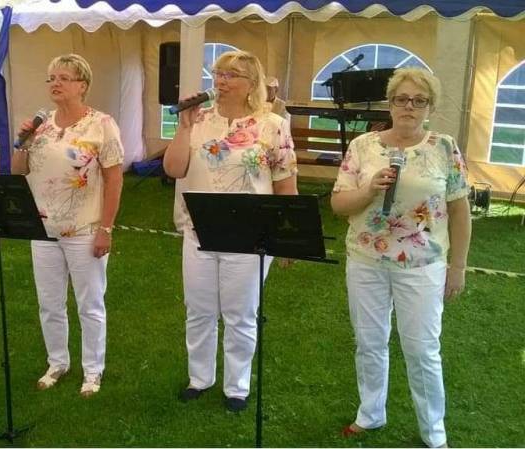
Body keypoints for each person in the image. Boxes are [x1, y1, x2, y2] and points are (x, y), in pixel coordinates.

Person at [331, 67, 471, 448]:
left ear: (430, 107)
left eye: (419, 100)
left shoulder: (444, 147)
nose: (409, 106)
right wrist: (368, 191)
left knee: (422, 349)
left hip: (422, 265)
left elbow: (460, 211)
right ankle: (370, 413)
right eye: (402, 99)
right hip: (366, 260)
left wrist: (458, 266)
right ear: (389, 103)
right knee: (369, 342)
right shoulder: (363, 146)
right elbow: (339, 203)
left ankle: (433, 431)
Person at [163, 50, 298, 412]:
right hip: (199, 230)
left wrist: (286, 237)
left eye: (231, 75)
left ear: (252, 83)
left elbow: (285, 183)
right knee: (199, 309)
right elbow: (173, 169)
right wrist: (184, 127)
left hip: (249, 234)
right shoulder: (199, 120)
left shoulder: (272, 125)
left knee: (240, 313)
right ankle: (199, 378)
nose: (221, 81)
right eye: (218, 74)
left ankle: (236, 386)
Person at [11, 53, 124, 397]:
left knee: (89, 304)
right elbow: (18, 172)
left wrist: (106, 229)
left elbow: (114, 179)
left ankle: (93, 370)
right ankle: (57, 362)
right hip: (43, 229)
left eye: (64, 77)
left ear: (82, 85)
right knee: (49, 303)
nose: (55, 83)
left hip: (84, 229)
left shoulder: (101, 124)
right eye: (51, 78)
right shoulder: (41, 126)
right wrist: (22, 143)